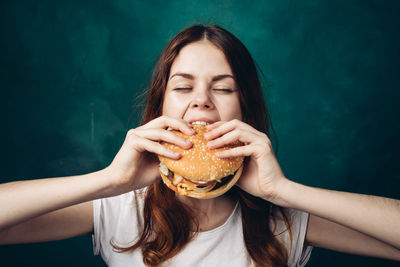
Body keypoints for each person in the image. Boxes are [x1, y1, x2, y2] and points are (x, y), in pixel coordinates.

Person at [0, 24, 399, 267]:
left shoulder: (287, 219)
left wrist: (284, 190)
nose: (201, 100)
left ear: (245, 111)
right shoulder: (118, 207)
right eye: (183, 86)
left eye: (223, 88)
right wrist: (108, 181)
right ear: (160, 107)